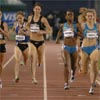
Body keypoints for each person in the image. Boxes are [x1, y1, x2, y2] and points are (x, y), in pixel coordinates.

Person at [28, 2, 52, 84]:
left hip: (41, 42)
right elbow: (27, 26)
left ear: (40, 10)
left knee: (40, 58)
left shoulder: (43, 19)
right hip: (32, 42)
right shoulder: (29, 18)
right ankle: (33, 78)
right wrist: (25, 29)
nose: (37, 10)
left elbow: (50, 30)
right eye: (36, 9)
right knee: (32, 58)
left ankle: (39, 61)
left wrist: (42, 32)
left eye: (39, 9)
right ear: (33, 9)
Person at [56, 10, 79, 90]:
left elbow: (82, 34)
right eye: (68, 15)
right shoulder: (63, 25)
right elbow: (59, 32)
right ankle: (66, 83)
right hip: (66, 47)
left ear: (73, 17)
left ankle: (73, 73)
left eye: (71, 15)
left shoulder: (76, 25)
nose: (70, 16)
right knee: (66, 65)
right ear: (66, 16)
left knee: (74, 66)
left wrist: (75, 31)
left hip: (74, 47)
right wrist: (57, 39)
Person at [80, 9, 100, 94]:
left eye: (91, 16)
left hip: (94, 48)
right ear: (86, 17)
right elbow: (79, 35)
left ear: (94, 17)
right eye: (88, 16)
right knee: (84, 71)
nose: (90, 17)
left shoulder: (98, 26)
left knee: (94, 62)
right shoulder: (83, 25)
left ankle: (92, 86)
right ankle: (86, 66)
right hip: (84, 48)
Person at [10, 11, 30, 83]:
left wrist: (23, 32)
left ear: (23, 18)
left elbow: (29, 34)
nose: (19, 19)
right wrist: (11, 32)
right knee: (17, 61)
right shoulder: (15, 24)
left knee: (25, 59)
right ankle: (16, 76)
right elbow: (11, 31)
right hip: (18, 45)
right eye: (18, 18)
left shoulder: (26, 25)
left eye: (20, 18)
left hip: (26, 45)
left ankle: (24, 61)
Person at [0, 8, 9, 88]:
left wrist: (1, 30)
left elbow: (7, 35)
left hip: (2, 45)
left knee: (0, 64)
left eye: (0, 14)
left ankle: (0, 79)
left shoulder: (4, 24)